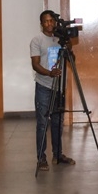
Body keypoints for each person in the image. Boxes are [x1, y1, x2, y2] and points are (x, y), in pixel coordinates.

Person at [30, 10, 75, 171]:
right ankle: (41, 158)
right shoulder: (37, 40)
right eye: (46, 21)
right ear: (41, 23)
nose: (49, 24)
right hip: (44, 86)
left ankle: (58, 154)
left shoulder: (60, 40)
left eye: (51, 21)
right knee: (43, 123)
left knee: (58, 123)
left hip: (59, 88)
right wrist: (50, 73)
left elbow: (71, 60)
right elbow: (35, 64)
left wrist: (68, 46)